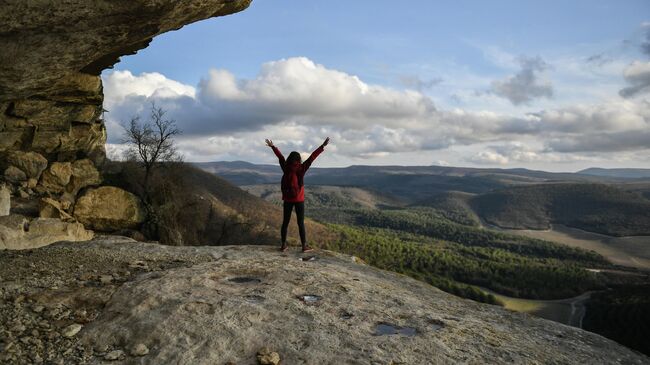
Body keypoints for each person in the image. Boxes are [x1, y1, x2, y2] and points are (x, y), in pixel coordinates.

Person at [265, 137, 330, 252]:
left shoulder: (285, 167)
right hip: (299, 199)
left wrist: (273, 147)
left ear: (290, 158)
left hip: (287, 199)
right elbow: (312, 157)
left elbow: (280, 157)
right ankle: (304, 246)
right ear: (299, 159)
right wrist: (322, 146)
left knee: (285, 222)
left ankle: (283, 245)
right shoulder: (301, 168)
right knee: (300, 223)